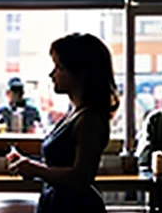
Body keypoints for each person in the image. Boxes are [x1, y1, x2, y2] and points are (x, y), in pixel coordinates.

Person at [6, 33, 119, 213]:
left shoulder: (89, 119)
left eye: (59, 67)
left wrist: (36, 170)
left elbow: (81, 177)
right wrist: (28, 164)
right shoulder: (75, 113)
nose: (52, 74)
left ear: (80, 73)